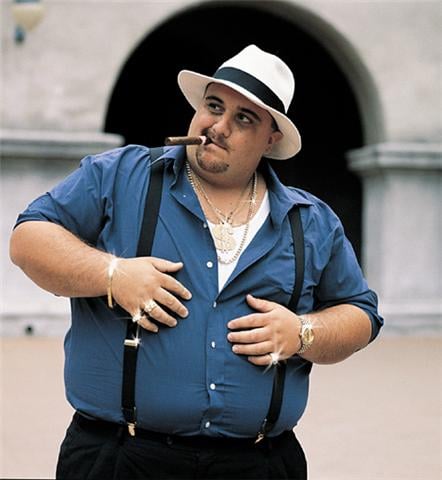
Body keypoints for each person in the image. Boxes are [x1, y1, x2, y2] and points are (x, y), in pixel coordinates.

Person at [10, 44, 383, 480]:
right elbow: (28, 238)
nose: (218, 127)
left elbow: (361, 314)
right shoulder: (121, 175)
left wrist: (303, 333)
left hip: (260, 464)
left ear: (271, 139)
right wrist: (111, 274)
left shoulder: (311, 220)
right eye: (213, 106)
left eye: (244, 119)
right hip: (118, 459)